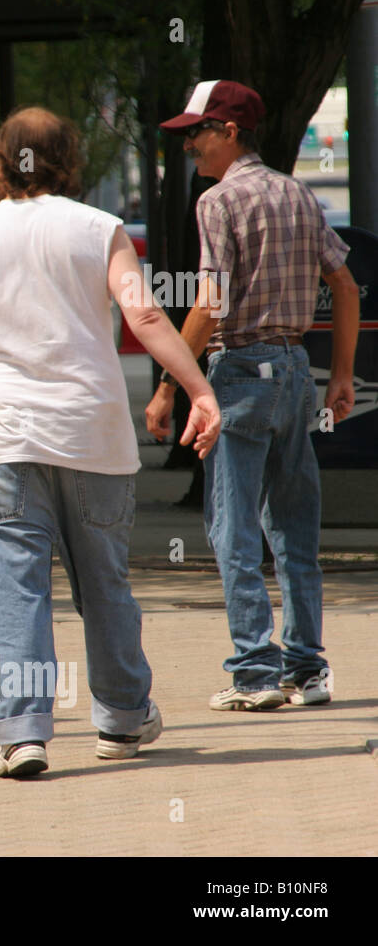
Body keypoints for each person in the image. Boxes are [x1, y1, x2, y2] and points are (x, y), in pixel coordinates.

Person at [0, 106, 221, 778]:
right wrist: (196, 389)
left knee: (16, 589)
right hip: (91, 436)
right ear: (70, 158)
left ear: (3, 160)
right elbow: (144, 314)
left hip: (7, 441)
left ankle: (23, 732)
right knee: (104, 584)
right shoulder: (100, 230)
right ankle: (122, 720)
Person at [147, 80, 360, 711]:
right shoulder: (298, 193)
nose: (189, 147)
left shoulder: (218, 201)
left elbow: (211, 302)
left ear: (230, 132)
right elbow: (344, 285)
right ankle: (307, 668)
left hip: (239, 368)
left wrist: (170, 384)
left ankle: (255, 673)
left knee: (232, 526)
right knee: (294, 525)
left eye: (197, 133)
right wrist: (341, 374)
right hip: (296, 371)